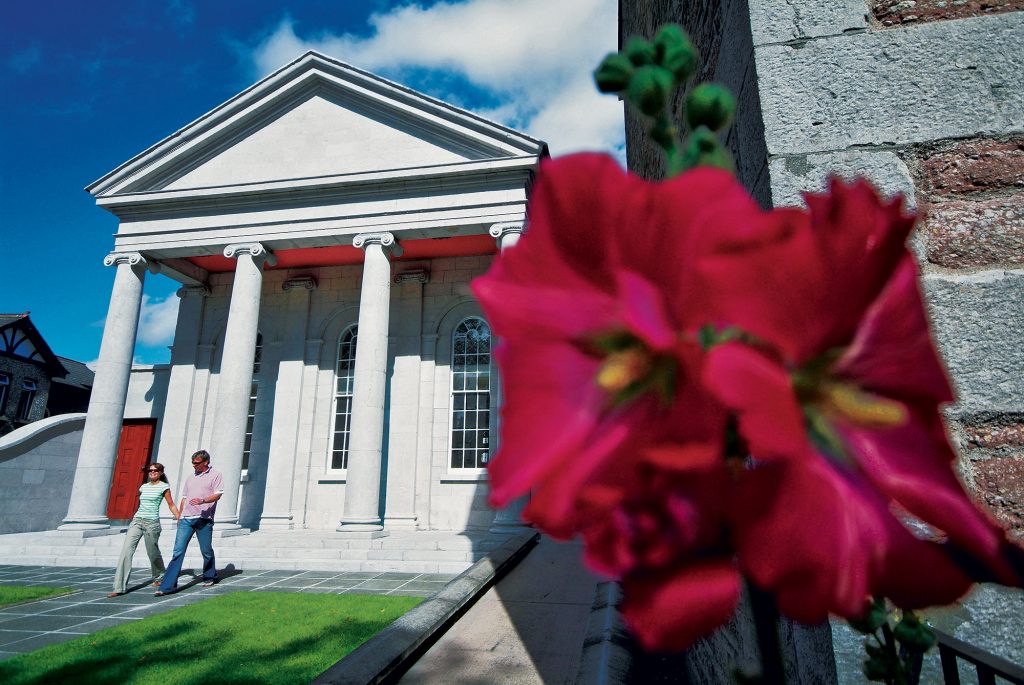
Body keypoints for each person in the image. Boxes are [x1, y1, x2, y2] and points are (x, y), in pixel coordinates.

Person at [155, 449, 224, 596]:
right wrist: (180, 516)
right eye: (192, 463)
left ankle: (210, 575)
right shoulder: (190, 477)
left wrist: (203, 500)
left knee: (206, 550)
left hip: (204, 519)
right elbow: (184, 497)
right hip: (186, 519)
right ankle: (167, 586)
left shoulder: (216, 475)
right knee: (178, 551)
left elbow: (218, 494)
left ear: (205, 462)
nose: (194, 465)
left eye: (196, 463)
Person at [106, 463, 180, 598]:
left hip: (152, 524)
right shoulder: (143, 487)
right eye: (150, 470)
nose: (152, 472)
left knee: (153, 552)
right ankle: (119, 587)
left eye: (155, 470)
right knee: (126, 551)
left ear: (161, 472)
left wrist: (179, 518)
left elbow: (171, 504)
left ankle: (159, 575)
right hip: (137, 521)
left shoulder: (164, 487)